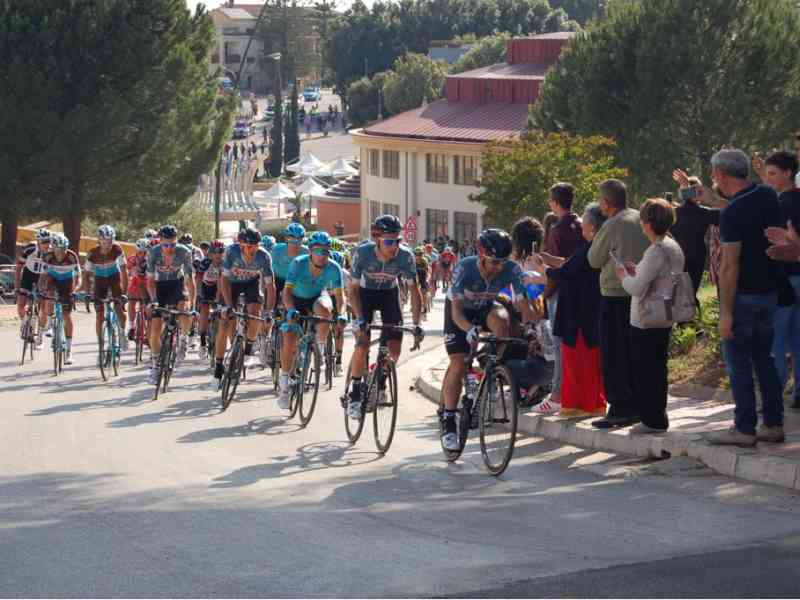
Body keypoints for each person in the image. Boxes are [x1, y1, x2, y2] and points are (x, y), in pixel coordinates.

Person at [701, 149, 785, 446]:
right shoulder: (765, 195)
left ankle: (744, 427)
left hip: (744, 296)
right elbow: (742, 212)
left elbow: (729, 266)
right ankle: (773, 423)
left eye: (714, 173)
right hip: (770, 291)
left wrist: (725, 313)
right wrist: (716, 203)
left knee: (738, 364)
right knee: (765, 359)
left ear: (721, 174)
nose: (713, 178)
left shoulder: (734, 213)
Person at [440, 228, 538, 450]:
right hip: (460, 312)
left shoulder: (512, 269)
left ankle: (489, 370)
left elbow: (523, 304)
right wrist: (468, 330)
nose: (499, 267)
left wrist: (532, 328)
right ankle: (448, 420)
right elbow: (455, 310)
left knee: (502, 321)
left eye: (503, 261)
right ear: (482, 255)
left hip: (485, 307)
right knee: (459, 361)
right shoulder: (465, 267)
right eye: (494, 262)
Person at [615, 198, 685, 433]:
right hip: (664, 315)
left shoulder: (656, 250)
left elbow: (636, 288)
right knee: (657, 368)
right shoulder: (672, 245)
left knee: (646, 371)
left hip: (647, 318)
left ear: (647, 223)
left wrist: (623, 275)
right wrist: (637, 271)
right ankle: (656, 416)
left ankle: (652, 419)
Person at [587, 179, 650, 428]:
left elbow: (594, 259)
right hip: (641, 291)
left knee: (614, 355)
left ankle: (620, 408)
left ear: (606, 202)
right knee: (633, 352)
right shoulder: (638, 216)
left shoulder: (612, 224)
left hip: (615, 293)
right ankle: (636, 404)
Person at [347, 215, 423, 421]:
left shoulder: (405, 257)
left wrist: (416, 324)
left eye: (397, 241)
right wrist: (359, 317)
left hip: (389, 295)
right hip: (365, 295)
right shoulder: (362, 253)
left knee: (394, 351)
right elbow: (352, 290)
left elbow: (414, 292)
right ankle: (355, 392)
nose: (394, 247)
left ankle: (379, 378)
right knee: (362, 344)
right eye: (389, 241)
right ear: (378, 239)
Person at [541, 203, 607, 417]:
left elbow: (566, 272)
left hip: (578, 312)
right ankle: (591, 404)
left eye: (586, 223)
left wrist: (542, 269)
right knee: (588, 359)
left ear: (593, 226)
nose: (582, 227)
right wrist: (550, 263)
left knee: (578, 359)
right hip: (588, 308)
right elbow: (570, 265)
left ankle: (580, 405)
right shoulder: (595, 247)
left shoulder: (591, 248)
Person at [278, 231, 346, 408]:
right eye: (317, 251)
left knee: (325, 310)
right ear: (310, 251)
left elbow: (340, 297)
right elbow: (286, 292)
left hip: (316, 297)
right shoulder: (298, 263)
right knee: (290, 339)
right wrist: (291, 309)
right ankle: (284, 381)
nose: (322, 255)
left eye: (325, 251)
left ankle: (320, 350)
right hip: (295, 299)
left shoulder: (333, 268)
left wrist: (342, 314)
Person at [757, 151, 800, 410]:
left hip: (785, 279)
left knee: (778, 341)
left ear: (787, 173)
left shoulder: (780, 204)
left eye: (772, 173)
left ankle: (774, 396)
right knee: (797, 339)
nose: (768, 179)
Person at [539, 183, 583, 413]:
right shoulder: (581, 224)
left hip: (560, 291)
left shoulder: (557, 229)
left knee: (559, 344)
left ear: (555, 203)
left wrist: (545, 291)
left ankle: (557, 392)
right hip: (582, 290)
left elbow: (557, 265)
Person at [213, 227, 276, 386]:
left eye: (255, 246)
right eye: (249, 246)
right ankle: (219, 366)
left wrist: (268, 312)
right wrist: (227, 305)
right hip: (231, 285)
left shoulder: (264, 256)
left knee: (256, 314)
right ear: (240, 245)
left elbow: (270, 286)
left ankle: (248, 350)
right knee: (225, 322)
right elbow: (224, 280)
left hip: (251, 284)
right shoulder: (231, 252)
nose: (253, 250)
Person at [146, 225, 196, 385]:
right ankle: (155, 365)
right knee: (154, 330)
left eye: (173, 244)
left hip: (177, 284)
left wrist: (193, 305)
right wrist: (153, 299)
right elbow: (150, 281)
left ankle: (182, 339)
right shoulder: (153, 253)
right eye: (166, 245)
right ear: (160, 242)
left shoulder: (184, 252)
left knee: (184, 310)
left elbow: (190, 280)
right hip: (159, 286)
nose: (169, 248)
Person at [670, 169, 721, 299]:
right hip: (697, 255)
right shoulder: (705, 213)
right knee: (691, 293)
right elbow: (726, 213)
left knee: (678, 294)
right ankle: (690, 315)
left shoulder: (673, 213)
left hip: (676, 255)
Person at [82, 225, 129, 352]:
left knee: (119, 308)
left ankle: (122, 333)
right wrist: (87, 293)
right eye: (104, 241)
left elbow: (124, 272)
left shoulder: (117, 249)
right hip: (100, 282)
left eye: (110, 241)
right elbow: (86, 275)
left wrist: (125, 292)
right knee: (99, 315)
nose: (107, 244)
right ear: (99, 240)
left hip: (115, 279)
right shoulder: (92, 254)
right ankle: (101, 345)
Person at [41, 234, 81, 364]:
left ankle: (69, 351)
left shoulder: (71, 256)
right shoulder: (47, 256)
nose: (61, 252)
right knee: (49, 294)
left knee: (66, 315)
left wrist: (76, 289)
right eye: (58, 249)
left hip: (67, 282)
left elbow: (78, 276)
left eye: (63, 248)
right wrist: (42, 289)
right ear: (53, 248)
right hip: (53, 279)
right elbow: (43, 276)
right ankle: (49, 324)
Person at [15, 228, 51, 346]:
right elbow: (19, 266)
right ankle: (25, 323)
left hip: (43, 277)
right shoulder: (29, 250)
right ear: (38, 241)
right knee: (21, 304)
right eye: (44, 241)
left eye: (48, 241)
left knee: (43, 309)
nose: (47, 244)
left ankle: (40, 336)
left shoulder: (52, 253)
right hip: (28, 276)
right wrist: (17, 284)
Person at [195, 240, 225, 360]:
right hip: (205, 287)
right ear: (210, 254)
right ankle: (202, 341)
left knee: (220, 309)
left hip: (218, 286)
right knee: (205, 309)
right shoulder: (205, 262)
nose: (218, 255)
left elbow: (221, 283)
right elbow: (198, 279)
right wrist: (198, 293)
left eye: (220, 252)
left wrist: (218, 299)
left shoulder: (225, 264)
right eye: (215, 252)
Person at [271, 223, 309, 305]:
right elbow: (267, 269)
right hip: (277, 279)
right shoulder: (276, 250)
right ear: (286, 239)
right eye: (292, 239)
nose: (295, 243)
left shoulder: (307, 252)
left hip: (295, 280)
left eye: (299, 239)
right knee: (271, 290)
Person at [126, 239, 150, 342]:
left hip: (147, 284)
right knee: (131, 303)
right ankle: (131, 326)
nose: (142, 254)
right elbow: (126, 273)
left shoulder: (150, 260)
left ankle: (148, 331)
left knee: (147, 307)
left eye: (144, 252)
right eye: (140, 252)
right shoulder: (131, 259)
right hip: (135, 283)